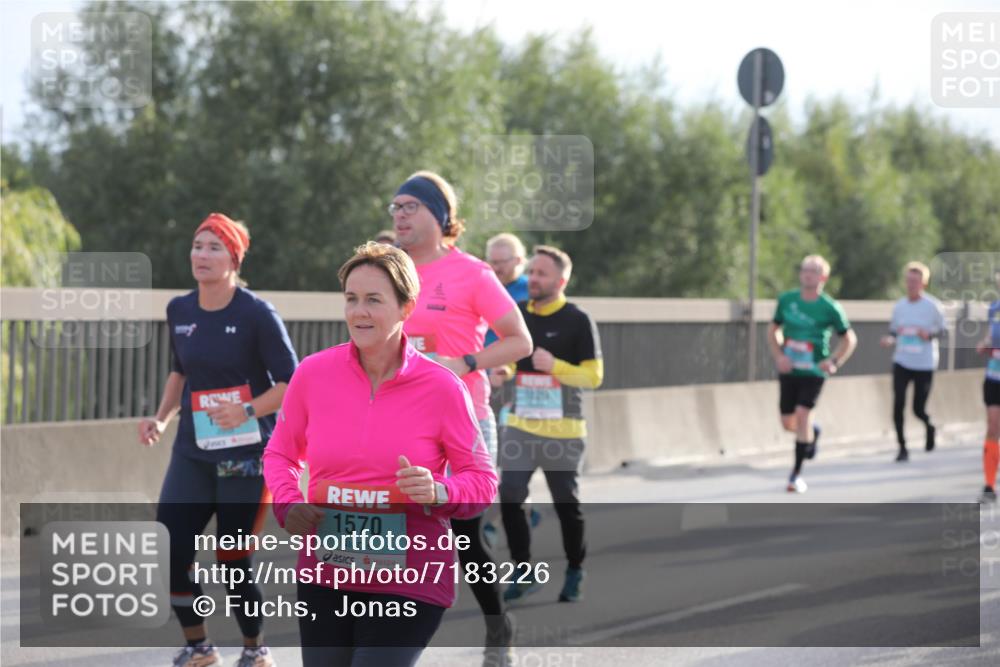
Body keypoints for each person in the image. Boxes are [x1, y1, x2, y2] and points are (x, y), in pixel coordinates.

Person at [262, 242, 498, 666]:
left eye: (374, 300)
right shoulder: (313, 375)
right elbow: (279, 454)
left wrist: (438, 490)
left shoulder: (442, 387)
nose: (359, 312)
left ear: (407, 308)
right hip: (326, 570)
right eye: (351, 299)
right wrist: (288, 501)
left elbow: (482, 482)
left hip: (411, 577)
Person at [139, 213, 298, 667]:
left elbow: (292, 383)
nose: (201, 255)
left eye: (213, 247)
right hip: (192, 453)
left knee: (231, 559)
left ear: (234, 258)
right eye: (197, 245)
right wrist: (162, 418)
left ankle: (255, 648)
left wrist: (246, 410)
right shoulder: (180, 310)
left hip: (245, 458)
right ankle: (199, 646)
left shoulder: (256, 313)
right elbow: (180, 370)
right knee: (171, 550)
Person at [390, 171, 532, 665]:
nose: (400, 215)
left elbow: (520, 340)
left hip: (462, 420)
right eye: (395, 208)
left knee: (464, 536)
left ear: (440, 215)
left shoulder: (471, 273)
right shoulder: (388, 269)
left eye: (410, 206)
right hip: (400, 423)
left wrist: (464, 363)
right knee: (396, 529)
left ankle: (498, 628)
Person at [498, 246, 603, 604]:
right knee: (510, 494)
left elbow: (594, 377)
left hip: (564, 432)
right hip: (521, 427)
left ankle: (575, 569)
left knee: (565, 504)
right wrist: (504, 370)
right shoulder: (518, 315)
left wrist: (555, 365)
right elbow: (512, 358)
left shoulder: (577, 319)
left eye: (542, 274)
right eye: (533, 272)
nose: (535, 279)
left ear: (561, 280)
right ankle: (522, 569)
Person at [767, 254, 857, 493]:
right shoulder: (787, 300)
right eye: (805, 270)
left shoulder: (830, 308)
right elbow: (773, 329)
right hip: (790, 369)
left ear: (823, 277)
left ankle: (795, 475)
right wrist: (780, 356)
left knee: (802, 413)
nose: (807, 274)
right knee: (789, 422)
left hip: (814, 370)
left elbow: (849, 339)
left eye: (813, 271)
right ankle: (813, 433)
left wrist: (833, 361)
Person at [880, 261, 947, 462]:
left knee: (918, 408)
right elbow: (894, 331)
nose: (911, 285)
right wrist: (889, 340)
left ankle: (929, 426)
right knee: (898, 403)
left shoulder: (933, 306)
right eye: (908, 281)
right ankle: (902, 447)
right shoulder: (900, 306)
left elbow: (944, 331)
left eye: (915, 282)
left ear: (923, 284)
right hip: (902, 360)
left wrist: (929, 335)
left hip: (924, 363)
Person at [975, 269, 1000, 504]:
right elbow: (990, 337)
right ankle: (989, 485)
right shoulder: (994, 308)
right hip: (994, 376)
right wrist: (984, 345)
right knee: (993, 427)